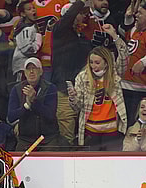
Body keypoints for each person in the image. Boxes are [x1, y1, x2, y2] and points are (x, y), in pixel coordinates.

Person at [68, 24, 128, 151]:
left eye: (97, 62)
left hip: (111, 131)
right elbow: (76, 107)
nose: (93, 66)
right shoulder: (82, 77)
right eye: (91, 62)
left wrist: (114, 36)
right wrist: (73, 98)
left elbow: (124, 56)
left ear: (106, 62)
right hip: (90, 131)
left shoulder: (114, 73)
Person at [51, 0, 91, 146]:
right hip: (64, 90)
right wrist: (80, 2)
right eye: (78, 13)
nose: (81, 16)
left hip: (82, 89)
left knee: (82, 130)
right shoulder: (60, 31)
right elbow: (68, 17)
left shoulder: (80, 37)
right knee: (67, 131)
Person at [8, 57, 69, 151]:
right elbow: (11, 117)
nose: (31, 72)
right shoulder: (16, 89)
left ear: (41, 71)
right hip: (25, 139)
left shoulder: (50, 88)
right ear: (24, 73)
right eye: (28, 69)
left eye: (34, 68)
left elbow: (50, 115)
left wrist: (34, 101)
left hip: (48, 138)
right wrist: (27, 105)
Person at [11, 0, 42, 81]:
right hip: (23, 67)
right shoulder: (24, 29)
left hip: (29, 66)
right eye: (29, 9)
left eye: (33, 8)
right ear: (23, 14)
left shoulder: (31, 27)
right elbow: (27, 49)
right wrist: (38, 39)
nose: (33, 10)